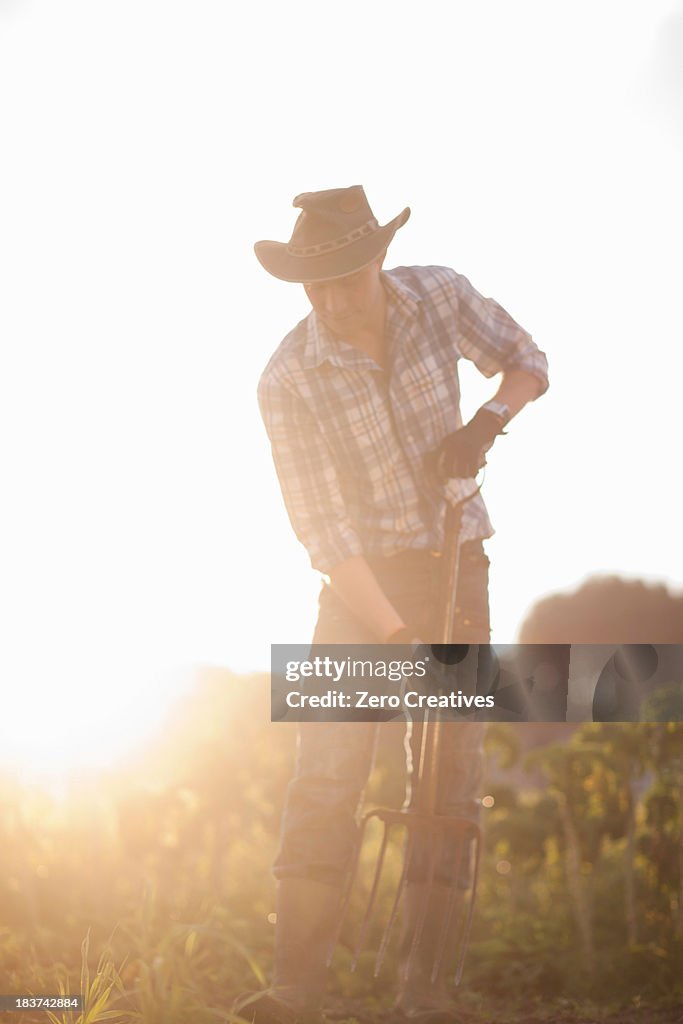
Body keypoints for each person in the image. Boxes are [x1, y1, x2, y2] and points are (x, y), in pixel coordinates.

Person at [241, 186, 549, 1024]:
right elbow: (323, 533)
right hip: (357, 593)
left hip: (458, 567)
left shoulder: (438, 294)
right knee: (325, 777)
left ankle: (425, 991)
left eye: (347, 279)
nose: (333, 302)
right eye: (316, 287)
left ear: (378, 260)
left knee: (448, 777)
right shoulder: (286, 377)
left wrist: (486, 421)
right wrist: (397, 635)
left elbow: (527, 359)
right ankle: (297, 990)